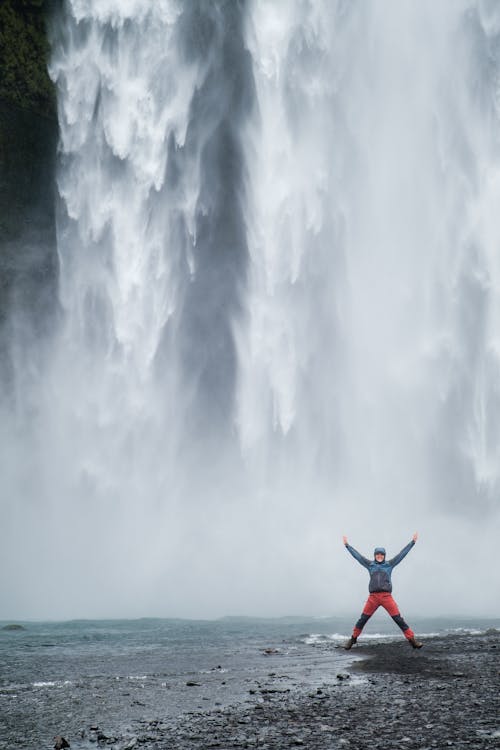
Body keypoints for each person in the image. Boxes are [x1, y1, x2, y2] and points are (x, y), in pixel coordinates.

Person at [343, 533, 422, 649]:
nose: (379, 556)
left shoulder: (389, 564)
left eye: (381, 554)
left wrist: (412, 543)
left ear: (384, 556)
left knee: (398, 619)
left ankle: (412, 640)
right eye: (377, 554)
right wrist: (347, 545)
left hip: (386, 597)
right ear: (375, 556)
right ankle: (353, 639)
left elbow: (402, 554)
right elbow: (358, 556)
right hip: (373, 598)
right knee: (363, 619)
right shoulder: (370, 565)